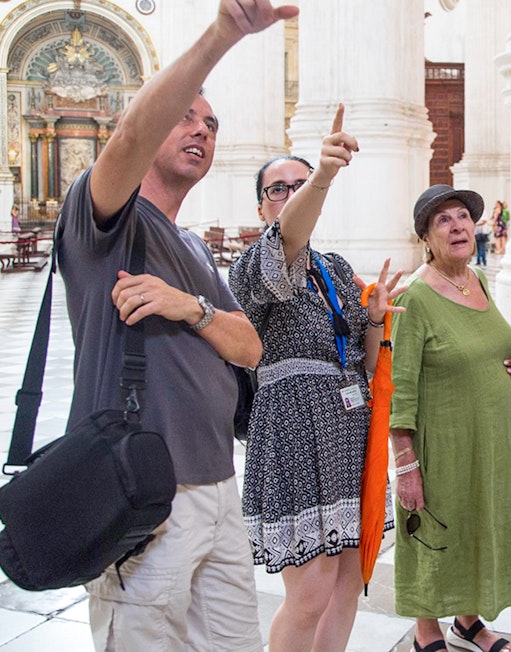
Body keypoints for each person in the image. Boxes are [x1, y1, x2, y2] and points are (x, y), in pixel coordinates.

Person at [53, 1, 296, 649]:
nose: (201, 130)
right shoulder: (102, 221)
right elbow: (130, 138)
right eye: (185, 116)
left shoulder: (187, 247)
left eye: (212, 124)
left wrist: (188, 307)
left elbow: (248, 346)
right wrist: (223, 36)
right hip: (142, 494)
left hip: (218, 487)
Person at [227, 105, 402, 652]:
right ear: (262, 205)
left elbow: (364, 365)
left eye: (299, 185)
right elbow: (285, 240)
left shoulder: (333, 266)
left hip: (348, 433)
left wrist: (375, 318)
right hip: (294, 434)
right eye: (279, 188)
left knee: (349, 583)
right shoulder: (253, 264)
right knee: (309, 594)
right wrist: (322, 176)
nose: (290, 193)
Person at [390, 184, 511, 652]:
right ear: (425, 238)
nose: (458, 226)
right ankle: (426, 628)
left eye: (463, 217)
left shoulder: (477, 280)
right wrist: (406, 465)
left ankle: (467, 622)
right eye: (443, 220)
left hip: (486, 438)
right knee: (435, 532)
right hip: (440, 443)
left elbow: (486, 342)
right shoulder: (414, 298)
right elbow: (400, 387)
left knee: (476, 523)